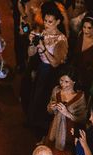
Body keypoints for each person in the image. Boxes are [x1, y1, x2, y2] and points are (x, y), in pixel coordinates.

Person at [26, 6, 69, 135]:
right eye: (45, 21)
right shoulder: (42, 33)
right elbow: (30, 53)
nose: (46, 24)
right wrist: (32, 43)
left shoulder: (61, 40)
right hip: (41, 68)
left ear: (57, 22)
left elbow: (56, 63)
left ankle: (41, 130)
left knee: (44, 98)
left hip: (51, 73)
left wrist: (43, 48)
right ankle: (32, 121)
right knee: (35, 95)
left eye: (50, 21)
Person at [44, 67, 87, 155]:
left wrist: (67, 113)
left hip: (69, 131)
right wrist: (51, 108)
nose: (63, 84)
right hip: (54, 129)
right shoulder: (56, 91)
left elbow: (83, 118)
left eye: (67, 82)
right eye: (61, 80)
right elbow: (49, 111)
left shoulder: (80, 97)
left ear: (74, 82)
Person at [71, 14, 93, 91]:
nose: (86, 30)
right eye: (84, 27)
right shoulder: (81, 34)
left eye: (89, 28)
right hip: (74, 75)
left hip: (88, 79)